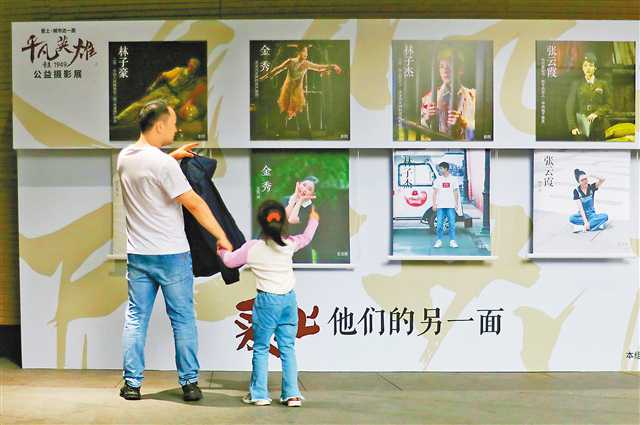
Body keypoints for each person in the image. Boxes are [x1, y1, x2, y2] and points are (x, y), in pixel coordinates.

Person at [117, 99, 232, 402]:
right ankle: (190, 383)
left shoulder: (125, 158)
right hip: (172, 255)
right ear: (159, 126)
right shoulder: (163, 164)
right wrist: (221, 235)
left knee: (135, 319)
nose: (176, 129)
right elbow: (194, 203)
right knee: (182, 320)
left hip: (138, 255)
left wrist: (172, 156)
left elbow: (151, 168)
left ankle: (132, 385)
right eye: (172, 123)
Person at [218, 200, 319, 407]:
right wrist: (313, 220)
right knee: (287, 348)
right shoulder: (289, 244)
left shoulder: (252, 248)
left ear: (261, 223)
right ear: (284, 223)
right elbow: (307, 237)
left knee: (261, 347)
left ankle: (259, 395)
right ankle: (292, 395)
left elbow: (229, 261)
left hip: (267, 302)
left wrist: (221, 249)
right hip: (289, 300)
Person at [259, 45, 342, 137]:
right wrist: (264, 77)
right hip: (287, 89)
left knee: (301, 110)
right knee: (284, 110)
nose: (306, 54)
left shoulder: (306, 64)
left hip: (297, 91)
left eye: (307, 52)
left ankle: (304, 132)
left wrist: (333, 66)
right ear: (298, 52)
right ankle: (280, 132)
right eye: (304, 51)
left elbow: (319, 67)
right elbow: (277, 69)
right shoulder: (290, 61)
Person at [116, 58, 206, 125]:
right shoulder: (179, 70)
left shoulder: (193, 80)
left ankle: (138, 125)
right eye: (192, 64)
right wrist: (153, 86)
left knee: (160, 113)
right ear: (189, 63)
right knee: (141, 104)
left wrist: (180, 101)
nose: (192, 67)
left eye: (195, 66)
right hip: (165, 90)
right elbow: (163, 76)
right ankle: (120, 118)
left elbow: (187, 93)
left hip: (174, 97)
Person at [420, 48, 476, 140]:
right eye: (441, 66)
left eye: (450, 65)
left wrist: (464, 123)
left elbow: (482, 129)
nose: (445, 70)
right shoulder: (429, 98)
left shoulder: (473, 96)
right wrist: (427, 118)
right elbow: (420, 133)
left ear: (461, 69)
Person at [566, 52, 611, 141]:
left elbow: (608, 105)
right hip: (581, 127)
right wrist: (573, 127)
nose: (588, 68)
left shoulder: (603, 84)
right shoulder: (576, 84)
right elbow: (569, 107)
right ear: (582, 68)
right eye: (585, 65)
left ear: (595, 68)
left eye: (591, 65)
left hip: (599, 127)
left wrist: (596, 113)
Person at [282, 176, 318, 263]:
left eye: (309, 189)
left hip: (301, 250)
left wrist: (300, 200)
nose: (305, 189)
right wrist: (294, 199)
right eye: (304, 185)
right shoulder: (285, 199)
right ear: (299, 184)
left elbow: (291, 220)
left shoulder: (309, 207)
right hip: (284, 247)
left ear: (312, 194)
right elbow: (285, 217)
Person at [432, 162, 462, 248]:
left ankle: (452, 241)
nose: (439, 170)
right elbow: (434, 193)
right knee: (439, 225)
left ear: (446, 169)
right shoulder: (438, 180)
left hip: (451, 206)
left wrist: (456, 203)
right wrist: (434, 204)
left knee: (452, 224)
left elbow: (455, 192)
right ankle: (439, 240)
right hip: (440, 206)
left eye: (441, 168)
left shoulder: (453, 179)